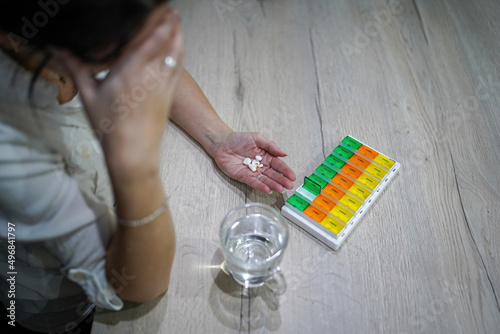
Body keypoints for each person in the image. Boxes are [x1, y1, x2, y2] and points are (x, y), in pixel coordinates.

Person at [0, 1, 296, 333]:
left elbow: (151, 71)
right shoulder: (18, 151)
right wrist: (138, 170)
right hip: (68, 303)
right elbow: (139, 285)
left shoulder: (94, 33)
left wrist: (218, 139)